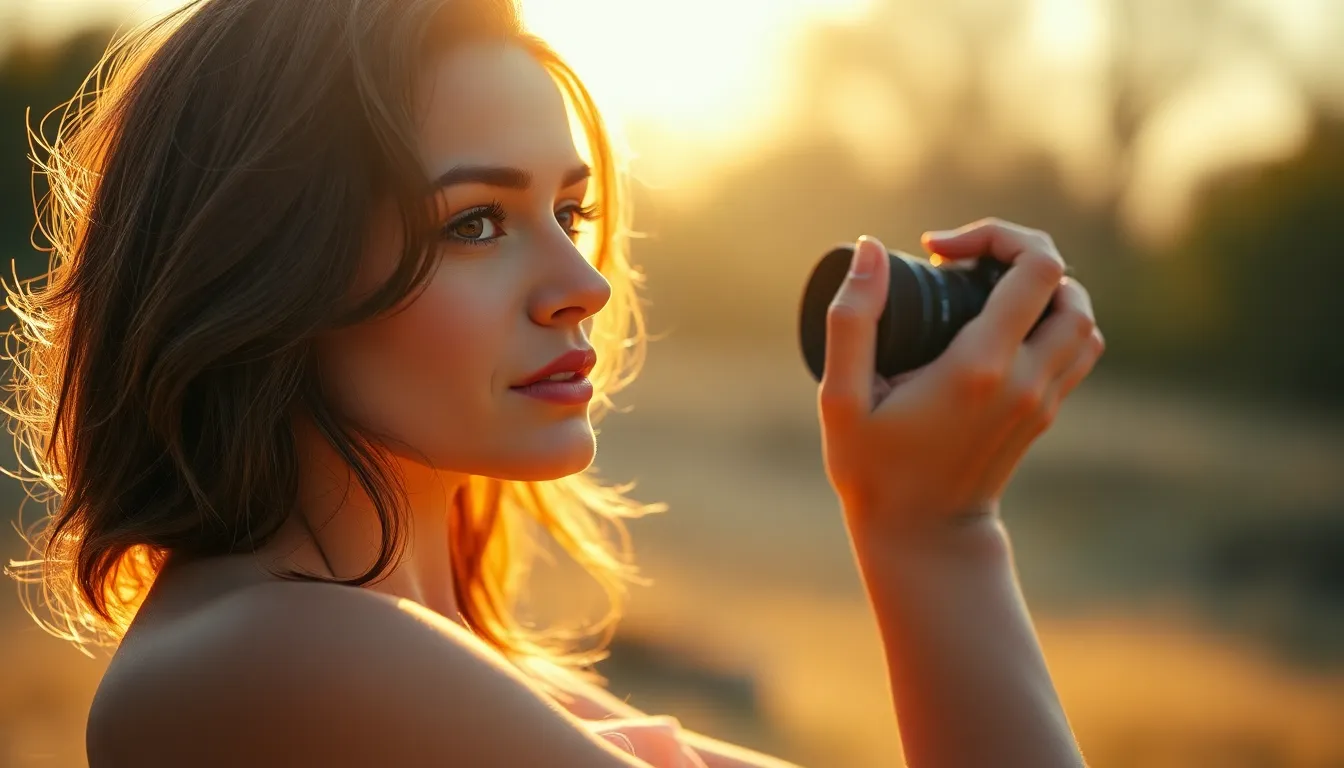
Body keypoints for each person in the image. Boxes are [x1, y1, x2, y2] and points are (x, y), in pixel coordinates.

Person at [2, 0, 1104, 765]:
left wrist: (934, 524)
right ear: (263, 266)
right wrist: (937, 535)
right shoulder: (260, 659)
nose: (584, 285)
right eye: (476, 223)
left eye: (570, 213)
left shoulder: (488, 676)